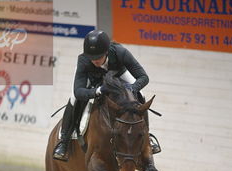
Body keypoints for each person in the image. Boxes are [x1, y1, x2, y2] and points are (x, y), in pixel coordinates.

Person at [53, 29, 160, 161]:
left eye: (98, 57)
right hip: (93, 79)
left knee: (140, 94)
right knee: (73, 98)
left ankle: (147, 136)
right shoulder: (83, 61)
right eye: (92, 58)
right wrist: (96, 91)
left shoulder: (120, 52)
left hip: (118, 74)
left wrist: (132, 88)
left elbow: (143, 77)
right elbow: (78, 91)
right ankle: (64, 141)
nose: (95, 61)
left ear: (106, 52)